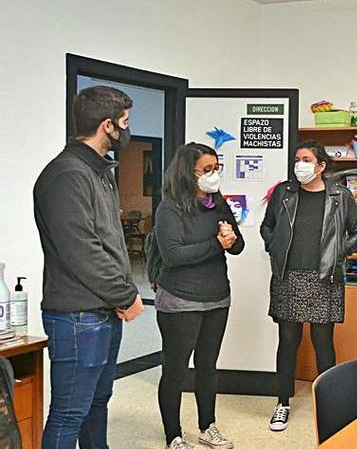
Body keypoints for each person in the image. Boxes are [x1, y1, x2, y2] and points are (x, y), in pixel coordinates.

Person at [33, 85, 145, 449]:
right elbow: (82, 250)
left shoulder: (99, 172)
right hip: (78, 317)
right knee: (69, 413)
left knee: (97, 404)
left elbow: (107, 241)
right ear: (108, 125)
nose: (128, 130)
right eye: (125, 122)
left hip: (101, 312)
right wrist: (126, 294)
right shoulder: (68, 175)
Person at [260, 141, 357, 431]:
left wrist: (338, 252)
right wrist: (274, 246)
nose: (300, 165)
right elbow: (266, 226)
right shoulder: (284, 192)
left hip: (325, 277)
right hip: (288, 276)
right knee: (288, 341)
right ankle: (282, 403)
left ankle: (329, 404)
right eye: (297, 159)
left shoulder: (340, 196)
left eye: (307, 160)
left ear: (321, 166)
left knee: (322, 342)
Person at [153, 142, 244, 449]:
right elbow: (173, 255)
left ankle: (208, 426)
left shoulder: (217, 203)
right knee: (176, 370)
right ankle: (173, 435)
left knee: (208, 367)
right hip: (180, 300)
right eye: (206, 169)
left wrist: (231, 240)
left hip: (217, 297)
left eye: (216, 168)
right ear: (186, 173)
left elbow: (238, 244)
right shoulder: (169, 208)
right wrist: (218, 244)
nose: (213, 175)